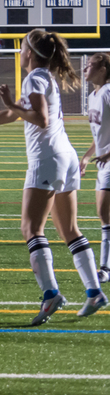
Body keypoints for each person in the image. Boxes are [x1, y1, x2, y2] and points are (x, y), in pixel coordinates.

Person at [0, 30, 107, 322]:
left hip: (48, 159)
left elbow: (39, 117)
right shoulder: (43, 77)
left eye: (23, 46)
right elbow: (13, 115)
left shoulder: (35, 77)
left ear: (29, 52)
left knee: (31, 229)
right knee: (69, 230)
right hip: (65, 156)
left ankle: (51, 294)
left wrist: (13, 104)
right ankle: (94, 292)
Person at [80, 52, 110, 284]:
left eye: (89, 65)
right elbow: (99, 135)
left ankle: (105, 268)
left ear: (102, 69)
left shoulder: (109, 93)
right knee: (104, 215)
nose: (84, 69)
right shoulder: (93, 95)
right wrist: (88, 157)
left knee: (103, 213)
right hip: (103, 162)